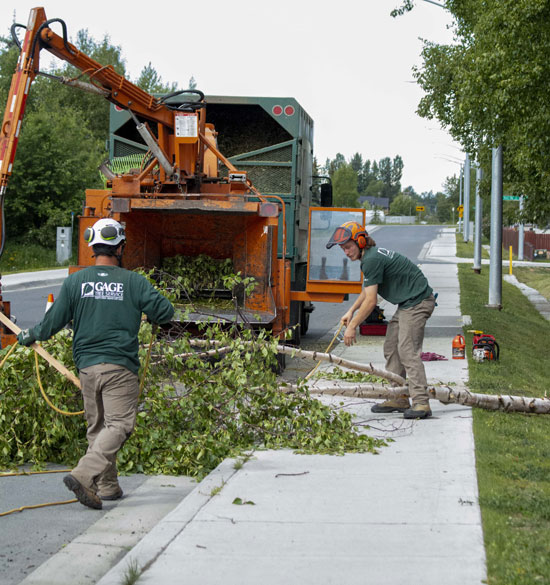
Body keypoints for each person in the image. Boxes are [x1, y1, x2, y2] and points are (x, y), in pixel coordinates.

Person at [17, 218, 174, 509]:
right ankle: (83, 474)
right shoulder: (134, 282)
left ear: (92, 247)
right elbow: (166, 311)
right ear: (121, 247)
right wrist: (151, 314)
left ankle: (108, 486)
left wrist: (30, 335)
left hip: (87, 367)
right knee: (120, 425)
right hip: (119, 367)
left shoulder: (76, 281)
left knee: (98, 426)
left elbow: (53, 322)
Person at [326, 221, 435, 419]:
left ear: (360, 241)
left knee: (407, 350)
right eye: (343, 249)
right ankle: (399, 397)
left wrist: (352, 327)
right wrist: (351, 311)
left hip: (418, 302)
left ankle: (421, 402)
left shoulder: (371, 260)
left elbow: (371, 301)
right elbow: (368, 291)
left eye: (348, 247)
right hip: (406, 303)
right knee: (392, 348)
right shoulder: (369, 257)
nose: (346, 252)